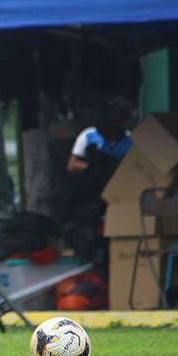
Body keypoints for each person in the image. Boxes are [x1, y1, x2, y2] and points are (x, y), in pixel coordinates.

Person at [61, 96, 135, 272]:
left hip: (117, 197)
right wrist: (95, 168)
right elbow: (72, 165)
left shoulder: (130, 141)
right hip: (91, 195)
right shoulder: (88, 136)